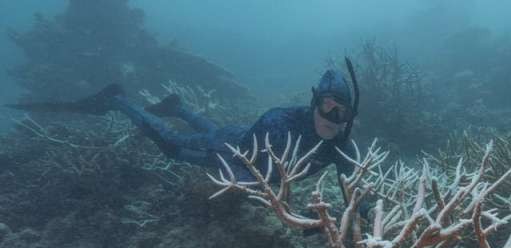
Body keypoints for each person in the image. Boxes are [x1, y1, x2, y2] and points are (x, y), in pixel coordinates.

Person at [6, 61, 360, 186]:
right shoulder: (279, 121)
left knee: (216, 131)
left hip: (237, 138)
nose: (333, 119)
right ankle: (117, 99)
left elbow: (353, 189)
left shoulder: (342, 146)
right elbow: (245, 163)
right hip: (231, 152)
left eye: (341, 112)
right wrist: (239, 184)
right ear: (314, 103)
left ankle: (178, 106)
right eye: (327, 107)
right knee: (172, 146)